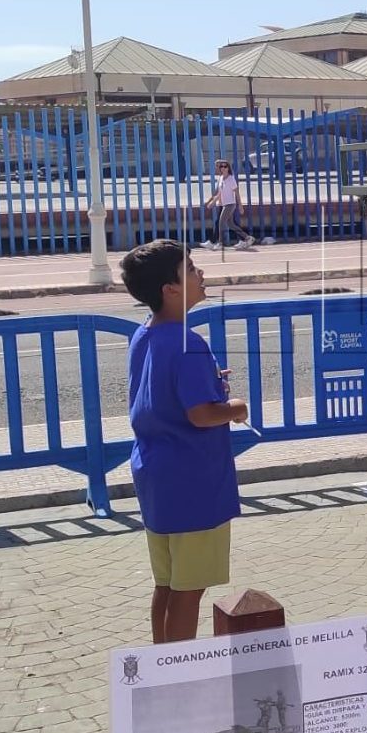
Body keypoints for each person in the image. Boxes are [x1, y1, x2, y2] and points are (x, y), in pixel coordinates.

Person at [120, 239, 250, 644]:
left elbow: (162, 393)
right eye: (191, 269)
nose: (200, 275)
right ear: (170, 288)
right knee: (189, 589)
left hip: (155, 473)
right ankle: (180, 672)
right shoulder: (189, 341)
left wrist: (208, 384)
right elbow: (201, 414)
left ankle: (161, 665)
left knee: (167, 583)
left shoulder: (146, 333)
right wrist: (236, 407)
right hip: (193, 478)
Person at [203, 159, 254, 251]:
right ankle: (247, 237)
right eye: (221, 166)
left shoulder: (231, 178)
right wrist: (212, 202)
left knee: (221, 222)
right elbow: (219, 193)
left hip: (230, 204)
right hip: (225, 204)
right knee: (231, 224)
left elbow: (237, 192)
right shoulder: (221, 178)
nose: (223, 168)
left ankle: (220, 243)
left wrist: (240, 205)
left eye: (225, 166)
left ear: (228, 168)